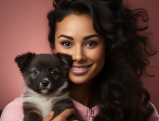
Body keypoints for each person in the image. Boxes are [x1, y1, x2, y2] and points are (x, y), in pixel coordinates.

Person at [0, 0, 159, 121]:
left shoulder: (141, 110)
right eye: (67, 43)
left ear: (108, 47)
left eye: (91, 43)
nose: (77, 56)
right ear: (54, 48)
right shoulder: (16, 114)